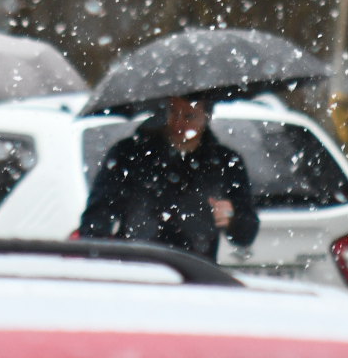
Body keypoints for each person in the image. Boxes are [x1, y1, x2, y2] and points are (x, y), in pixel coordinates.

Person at [77, 94, 259, 259]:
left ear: (206, 118)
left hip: (197, 271)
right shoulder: (130, 154)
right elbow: (98, 213)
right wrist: (97, 253)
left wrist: (234, 219)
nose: (179, 123)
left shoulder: (224, 162)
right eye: (173, 112)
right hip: (138, 265)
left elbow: (246, 233)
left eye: (189, 116)